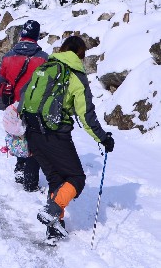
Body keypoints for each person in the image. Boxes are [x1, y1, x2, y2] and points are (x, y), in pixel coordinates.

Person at [20, 35, 114, 242]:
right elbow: (86, 115)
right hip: (54, 134)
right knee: (76, 178)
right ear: (81, 55)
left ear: (63, 49)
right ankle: (52, 210)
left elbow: (24, 95)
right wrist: (103, 138)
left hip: (33, 132)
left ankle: (54, 228)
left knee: (56, 179)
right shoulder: (75, 75)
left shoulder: (46, 67)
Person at [0, 19, 48, 192]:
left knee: (17, 134)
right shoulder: (43, 58)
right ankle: (30, 182)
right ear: (36, 36)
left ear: (22, 34)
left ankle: (19, 168)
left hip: (12, 106)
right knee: (34, 141)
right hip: (34, 107)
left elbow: (0, 79)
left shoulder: (8, 56)